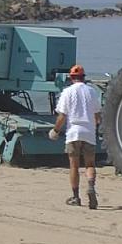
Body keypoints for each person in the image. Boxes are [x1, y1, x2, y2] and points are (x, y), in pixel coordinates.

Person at [49, 64, 101, 209]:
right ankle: (91, 186)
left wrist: (55, 131)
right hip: (89, 133)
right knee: (90, 164)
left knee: (74, 166)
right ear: (83, 78)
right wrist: (96, 126)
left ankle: (76, 197)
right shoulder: (92, 92)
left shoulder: (67, 92)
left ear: (71, 78)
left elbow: (62, 116)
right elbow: (97, 116)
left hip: (73, 133)